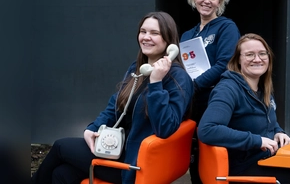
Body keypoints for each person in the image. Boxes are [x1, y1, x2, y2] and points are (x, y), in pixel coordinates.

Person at [31, 11, 194, 184]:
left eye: (154, 33)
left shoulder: (179, 78)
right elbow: (116, 105)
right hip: (117, 149)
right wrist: (92, 128)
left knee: (60, 147)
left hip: (135, 163)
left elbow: (165, 127)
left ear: (169, 41)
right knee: (62, 174)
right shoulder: (138, 68)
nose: (146, 37)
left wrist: (155, 83)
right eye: (143, 31)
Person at [197, 33, 290, 184]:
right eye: (249, 55)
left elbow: (266, 122)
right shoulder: (227, 89)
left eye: (262, 54)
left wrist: (278, 131)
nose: (257, 59)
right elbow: (207, 129)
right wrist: (257, 141)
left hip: (269, 160)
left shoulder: (263, 89)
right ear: (238, 60)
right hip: (244, 170)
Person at [180, 0, 241, 183]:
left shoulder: (226, 27)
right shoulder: (187, 35)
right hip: (191, 103)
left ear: (220, 2)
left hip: (216, 100)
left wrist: (193, 85)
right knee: (194, 155)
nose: (207, 1)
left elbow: (225, 64)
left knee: (214, 154)